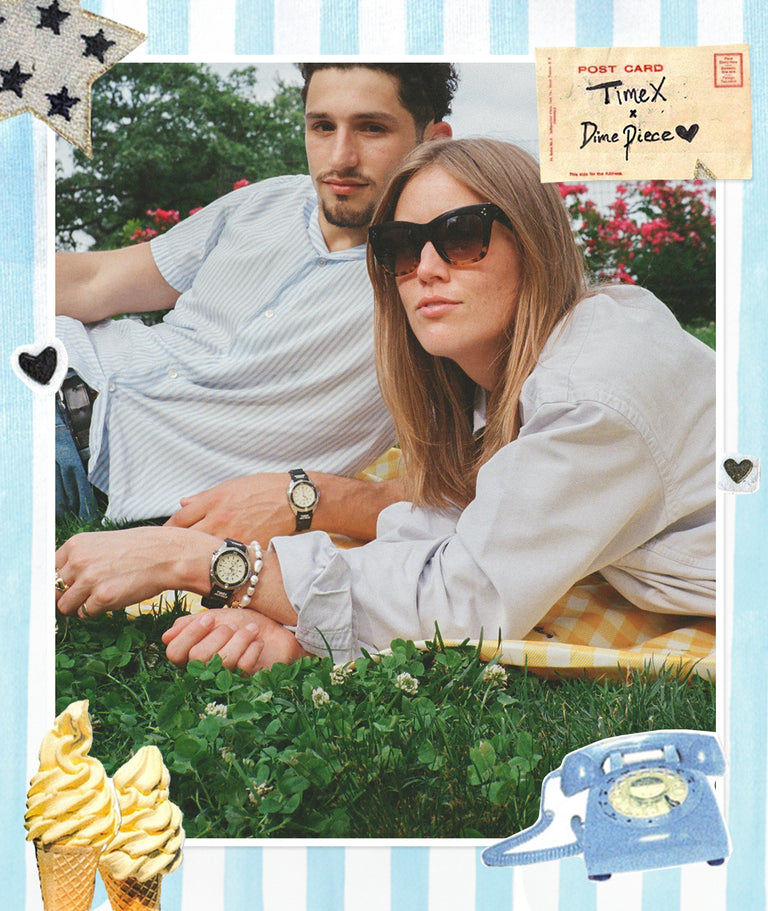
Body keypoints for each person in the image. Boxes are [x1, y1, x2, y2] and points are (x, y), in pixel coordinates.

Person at [55, 138, 716, 675]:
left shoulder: (592, 392)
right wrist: (298, 618)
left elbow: (461, 598)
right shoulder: (505, 379)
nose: (425, 266)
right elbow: (444, 530)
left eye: (461, 235)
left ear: (536, 246)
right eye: (401, 246)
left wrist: (198, 561)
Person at [55, 63, 457, 544]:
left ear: (434, 140)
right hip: (54, 355)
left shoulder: (439, 282)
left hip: (80, 460)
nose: (340, 158)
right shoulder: (265, 202)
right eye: (322, 126)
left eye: (372, 128)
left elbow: (485, 479)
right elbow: (95, 281)